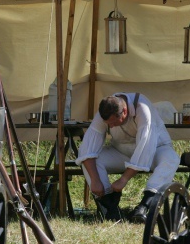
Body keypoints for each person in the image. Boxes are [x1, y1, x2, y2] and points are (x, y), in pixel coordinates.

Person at [76, 93, 180, 222]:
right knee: (91, 161)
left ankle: (144, 207)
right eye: (109, 124)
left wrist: (123, 179)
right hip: (121, 151)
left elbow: (145, 147)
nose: (112, 126)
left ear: (124, 111)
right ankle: (110, 207)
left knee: (171, 159)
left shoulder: (143, 109)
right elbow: (87, 149)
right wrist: (95, 180)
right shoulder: (104, 112)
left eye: (114, 122)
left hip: (155, 149)